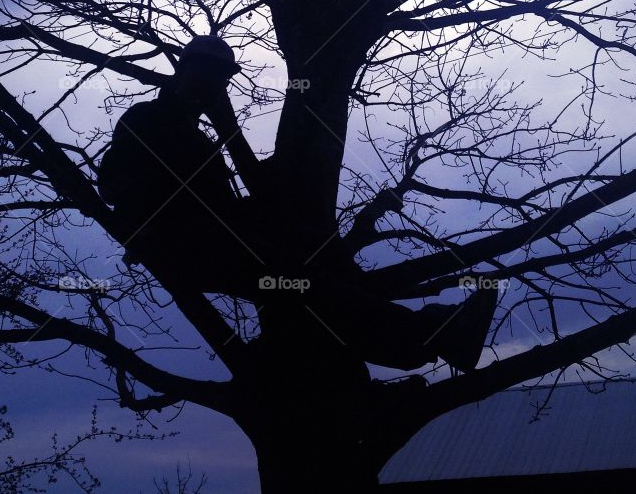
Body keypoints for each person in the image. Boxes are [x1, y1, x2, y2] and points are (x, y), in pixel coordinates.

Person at [98, 36, 498, 371]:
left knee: (316, 288)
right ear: (184, 72)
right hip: (190, 249)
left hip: (214, 243)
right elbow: (117, 187)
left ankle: (423, 342)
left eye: (219, 82)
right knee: (308, 286)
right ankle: (429, 336)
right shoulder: (148, 120)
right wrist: (147, 230)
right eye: (206, 78)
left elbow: (221, 205)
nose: (213, 89)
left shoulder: (198, 138)